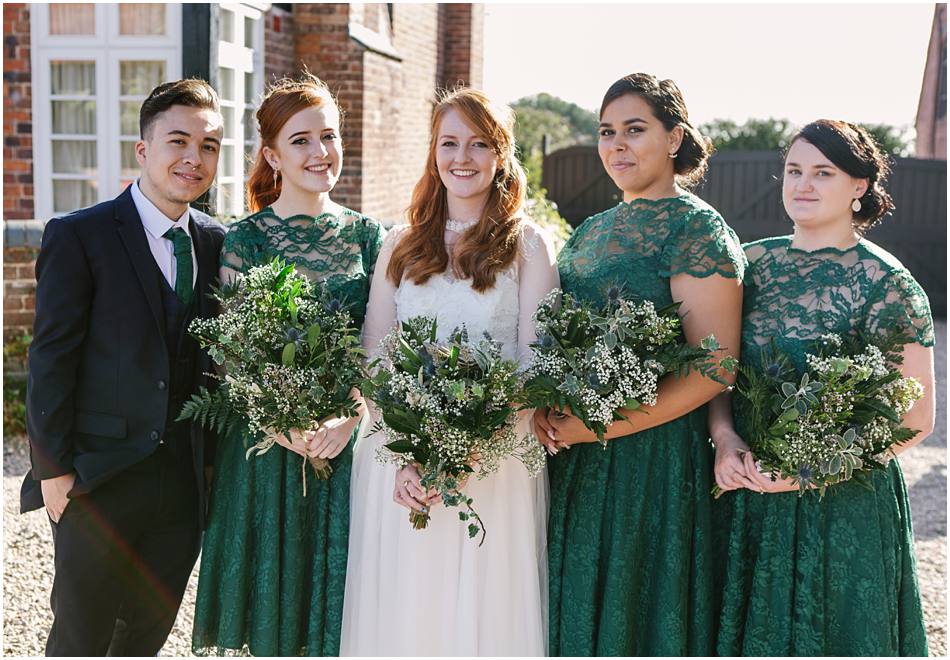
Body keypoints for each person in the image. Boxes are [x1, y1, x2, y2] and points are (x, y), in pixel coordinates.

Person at [340, 87, 559, 656]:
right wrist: (413, 448)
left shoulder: (528, 246)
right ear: (433, 152)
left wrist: (467, 444)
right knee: (408, 607)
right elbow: (375, 354)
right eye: (449, 142)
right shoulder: (400, 243)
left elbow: (538, 359)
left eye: (479, 144)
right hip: (399, 453)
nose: (463, 157)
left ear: (501, 155)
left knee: (483, 612)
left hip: (494, 458)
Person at [710, 119, 935, 655]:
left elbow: (916, 419)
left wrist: (807, 470)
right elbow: (718, 369)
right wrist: (723, 437)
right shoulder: (748, 265)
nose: (802, 184)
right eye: (793, 170)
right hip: (748, 491)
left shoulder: (889, 284)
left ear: (859, 186)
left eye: (822, 172)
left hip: (843, 504)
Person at [537, 73, 745, 656]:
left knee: (640, 616)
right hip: (578, 459)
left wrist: (600, 424)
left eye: (635, 129)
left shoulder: (696, 230)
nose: (617, 146)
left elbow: (715, 366)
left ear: (675, 138)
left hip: (654, 459)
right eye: (607, 132)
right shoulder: (590, 232)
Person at [20, 78, 225, 656]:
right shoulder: (80, 235)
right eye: (178, 141)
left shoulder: (217, 243)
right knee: (81, 638)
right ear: (143, 151)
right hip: (97, 479)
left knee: (145, 637)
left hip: (183, 486)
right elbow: (52, 355)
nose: (193, 158)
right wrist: (54, 471)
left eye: (208, 146)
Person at [191, 73, 385, 657]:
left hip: (350, 448)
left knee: (346, 617)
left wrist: (350, 420)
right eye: (300, 140)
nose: (319, 152)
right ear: (272, 155)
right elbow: (230, 357)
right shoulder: (243, 241)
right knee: (275, 620)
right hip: (269, 452)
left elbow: (383, 344)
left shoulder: (371, 238)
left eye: (328, 136)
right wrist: (284, 427)